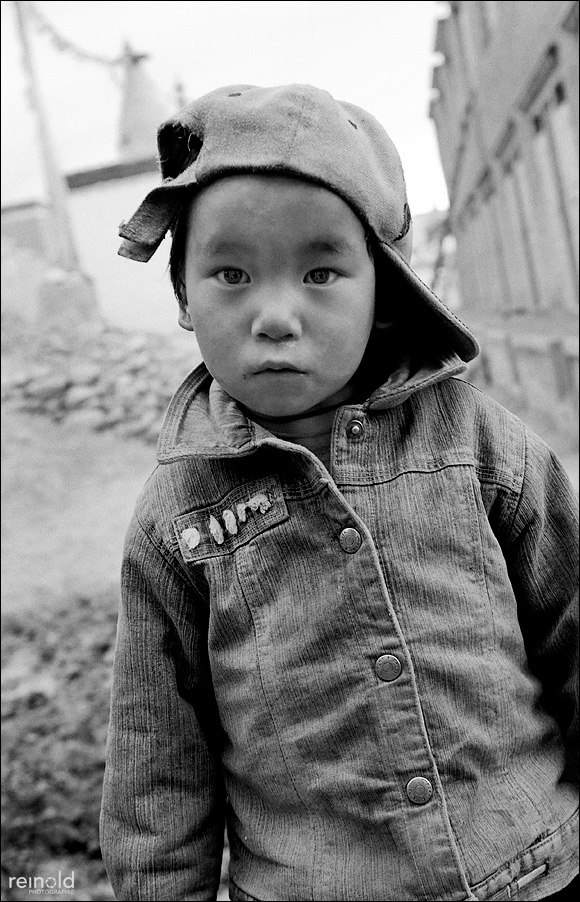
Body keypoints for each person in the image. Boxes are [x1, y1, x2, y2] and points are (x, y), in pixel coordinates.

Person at [99, 84, 578, 902]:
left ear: (385, 294)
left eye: (321, 271)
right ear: (183, 297)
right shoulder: (176, 518)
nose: (275, 315)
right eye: (231, 273)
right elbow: (158, 766)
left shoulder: (479, 447)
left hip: (533, 873)